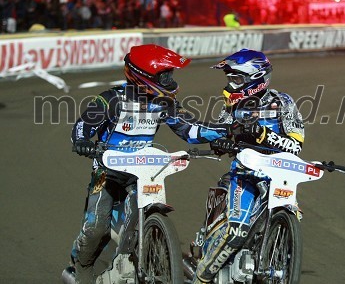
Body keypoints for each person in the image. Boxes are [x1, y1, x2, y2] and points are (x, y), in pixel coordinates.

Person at [69, 44, 229, 283]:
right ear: (143, 76)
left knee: (138, 218)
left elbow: (191, 130)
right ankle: (80, 268)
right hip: (108, 173)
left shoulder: (164, 103)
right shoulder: (111, 100)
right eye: (164, 75)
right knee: (96, 228)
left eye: (170, 75)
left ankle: (128, 264)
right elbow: (81, 127)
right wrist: (82, 142)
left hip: (143, 173)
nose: (170, 80)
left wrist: (227, 132)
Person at [192, 49, 305, 283]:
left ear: (255, 79)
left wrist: (261, 134)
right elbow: (221, 133)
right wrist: (219, 141)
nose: (231, 84)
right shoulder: (232, 107)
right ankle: (200, 278)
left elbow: (295, 145)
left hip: (279, 177)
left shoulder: (283, 103)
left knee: (295, 216)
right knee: (236, 231)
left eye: (236, 79)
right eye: (230, 79)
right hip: (245, 176)